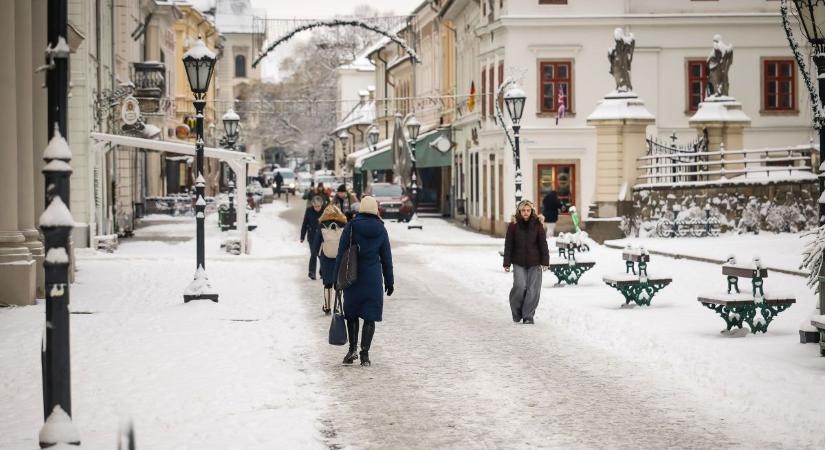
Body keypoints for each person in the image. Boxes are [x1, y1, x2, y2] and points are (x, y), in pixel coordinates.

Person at [334, 196, 394, 366]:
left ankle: (352, 350)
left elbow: (341, 253)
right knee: (370, 316)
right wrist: (389, 281)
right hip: (373, 279)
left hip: (352, 277)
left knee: (352, 314)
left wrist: (335, 278)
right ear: (375, 209)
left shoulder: (351, 227)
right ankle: (365, 355)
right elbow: (386, 258)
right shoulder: (381, 229)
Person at [503, 200, 549, 324]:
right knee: (519, 286)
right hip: (518, 262)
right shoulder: (513, 225)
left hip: (535, 262)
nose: (526, 213)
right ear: (519, 211)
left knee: (533, 289)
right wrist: (506, 263)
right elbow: (509, 245)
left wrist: (545, 261)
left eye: (528, 210)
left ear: (532, 211)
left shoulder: (537, 224)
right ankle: (517, 313)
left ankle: (528, 316)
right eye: (523, 210)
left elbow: (543, 244)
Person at [314, 204, 347, 314]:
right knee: (338, 283)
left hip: (326, 256)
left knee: (327, 282)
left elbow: (316, 242)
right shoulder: (343, 224)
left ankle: (327, 306)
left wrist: (316, 253)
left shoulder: (322, 225)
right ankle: (336, 306)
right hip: (340, 256)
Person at [300, 198, 324, 280]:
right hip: (312, 236)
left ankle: (323, 272)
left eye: (319, 206)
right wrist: (302, 236)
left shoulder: (325, 210)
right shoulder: (309, 211)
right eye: (315, 206)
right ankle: (312, 272)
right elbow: (305, 223)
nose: (317, 208)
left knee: (322, 255)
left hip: (323, 236)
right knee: (314, 253)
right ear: (313, 205)